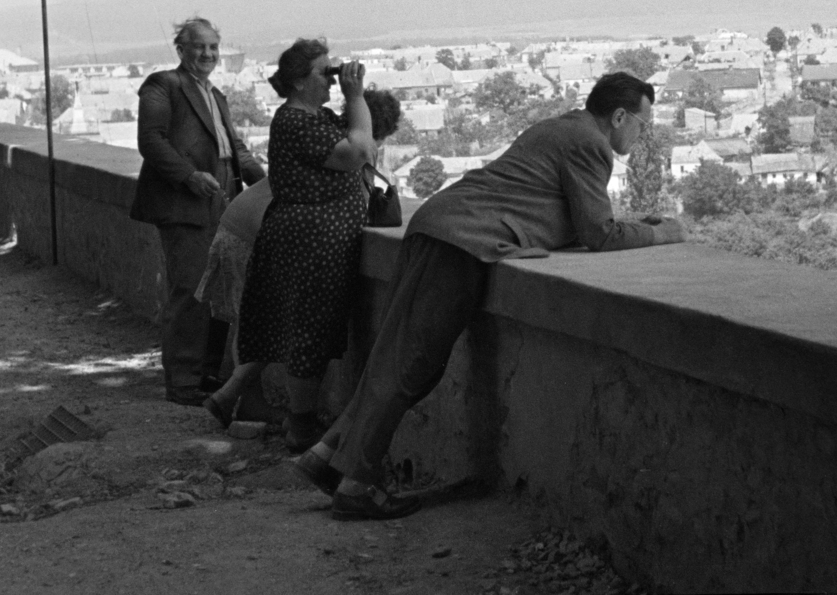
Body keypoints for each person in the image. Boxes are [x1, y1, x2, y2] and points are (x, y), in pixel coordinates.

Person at [293, 71, 686, 521]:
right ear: (619, 116)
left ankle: (324, 456)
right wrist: (663, 234)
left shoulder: (558, 126)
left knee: (393, 357)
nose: (643, 132)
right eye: (642, 123)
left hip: (443, 225)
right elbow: (599, 233)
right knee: (412, 365)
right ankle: (357, 483)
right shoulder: (590, 144)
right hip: (462, 238)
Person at [202, 40, 384, 450]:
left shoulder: (313, 117)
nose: (332, 80)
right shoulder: (295, 122)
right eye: (324, 73)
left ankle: (232, 400)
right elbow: (359, 152)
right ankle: (300, 428)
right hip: (310, 247)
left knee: (288, 327)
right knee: (308, 333)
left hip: (309, 241)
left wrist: (355, 100)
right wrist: (355, 95)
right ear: (300, 82)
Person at [194, 88, 405, 403]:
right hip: (255, 234)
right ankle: (244, 409)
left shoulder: (328, 135)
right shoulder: (357, 150)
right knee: (263, 326)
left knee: (266, 324)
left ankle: (232, 400)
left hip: (243, 224)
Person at [129, 17, 266, 406]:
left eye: (212, 47)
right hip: (183, 198)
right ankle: (183, 383)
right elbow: (150, 141)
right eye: (199, 47)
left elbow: (236, 150)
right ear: (181, 50)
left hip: (223, 194)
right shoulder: (162, 85)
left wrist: (270, 185)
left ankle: (208, 375)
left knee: (220, 290)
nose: (207, 54)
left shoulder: (216, 95)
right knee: (190, 289)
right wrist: (189, 176)